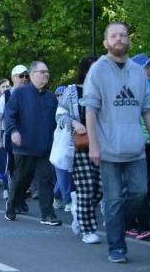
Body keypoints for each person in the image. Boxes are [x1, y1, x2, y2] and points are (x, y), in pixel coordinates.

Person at [84, 22, 150, 263]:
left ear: (129, 41)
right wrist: (93, 145)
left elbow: (147, 109)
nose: (119, 38)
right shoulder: (98, 71)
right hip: (108, 149)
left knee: (140, 192)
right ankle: (117, 247)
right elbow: (90, 111)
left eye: (123, 35)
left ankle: (116, 222)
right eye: (114, 35)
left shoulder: (137, 72)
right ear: (106, 43)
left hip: (136, 149)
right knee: (112, 200)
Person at [4, 61, 62, 226]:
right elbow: (10, 115)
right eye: (42, 72)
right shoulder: (20, 93)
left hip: (45, 146)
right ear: (32, 74)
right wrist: (14, 131)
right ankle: (12, 205)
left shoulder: (51, 97)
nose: (46, 75)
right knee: (21, 178)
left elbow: (58, 120)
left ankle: (48, 214)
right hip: (24, 145)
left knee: (46, 179)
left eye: (47, 72)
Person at [56, 56, 102, 244]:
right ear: (84, 71)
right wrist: (74, 122)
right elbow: (60, 115)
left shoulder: (103, 91)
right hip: (80, 146)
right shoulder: (73, 91)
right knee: (86, 187)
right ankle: (87, 229)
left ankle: (79, 212)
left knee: (101, 189)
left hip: (102, 146)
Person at [0, 65, 31, 211]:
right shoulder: (6, 95)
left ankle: (20, 198)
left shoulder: (31, 94)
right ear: (13, 77)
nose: (24, 79)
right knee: (14, 170)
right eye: (20, 76)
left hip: (29, 136)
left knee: (29, 170)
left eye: (26, 76)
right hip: (10, 136)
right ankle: (14, 201)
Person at [126, 53, 150, 241]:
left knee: (143, 187)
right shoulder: (130, 88)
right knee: (139, 186)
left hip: (149, 142)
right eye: (147, 66)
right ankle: (141, 225)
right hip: (135, 143)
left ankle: (131, 222)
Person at [52, 85, 74, 212]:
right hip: (58, 145)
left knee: (66, 174)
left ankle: (56, 195)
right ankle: (67, 201)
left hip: (71, 144)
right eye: (58, 95)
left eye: (63, 94)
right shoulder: (53, 109)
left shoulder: (72, 108)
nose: (60, 97)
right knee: (62, 173)